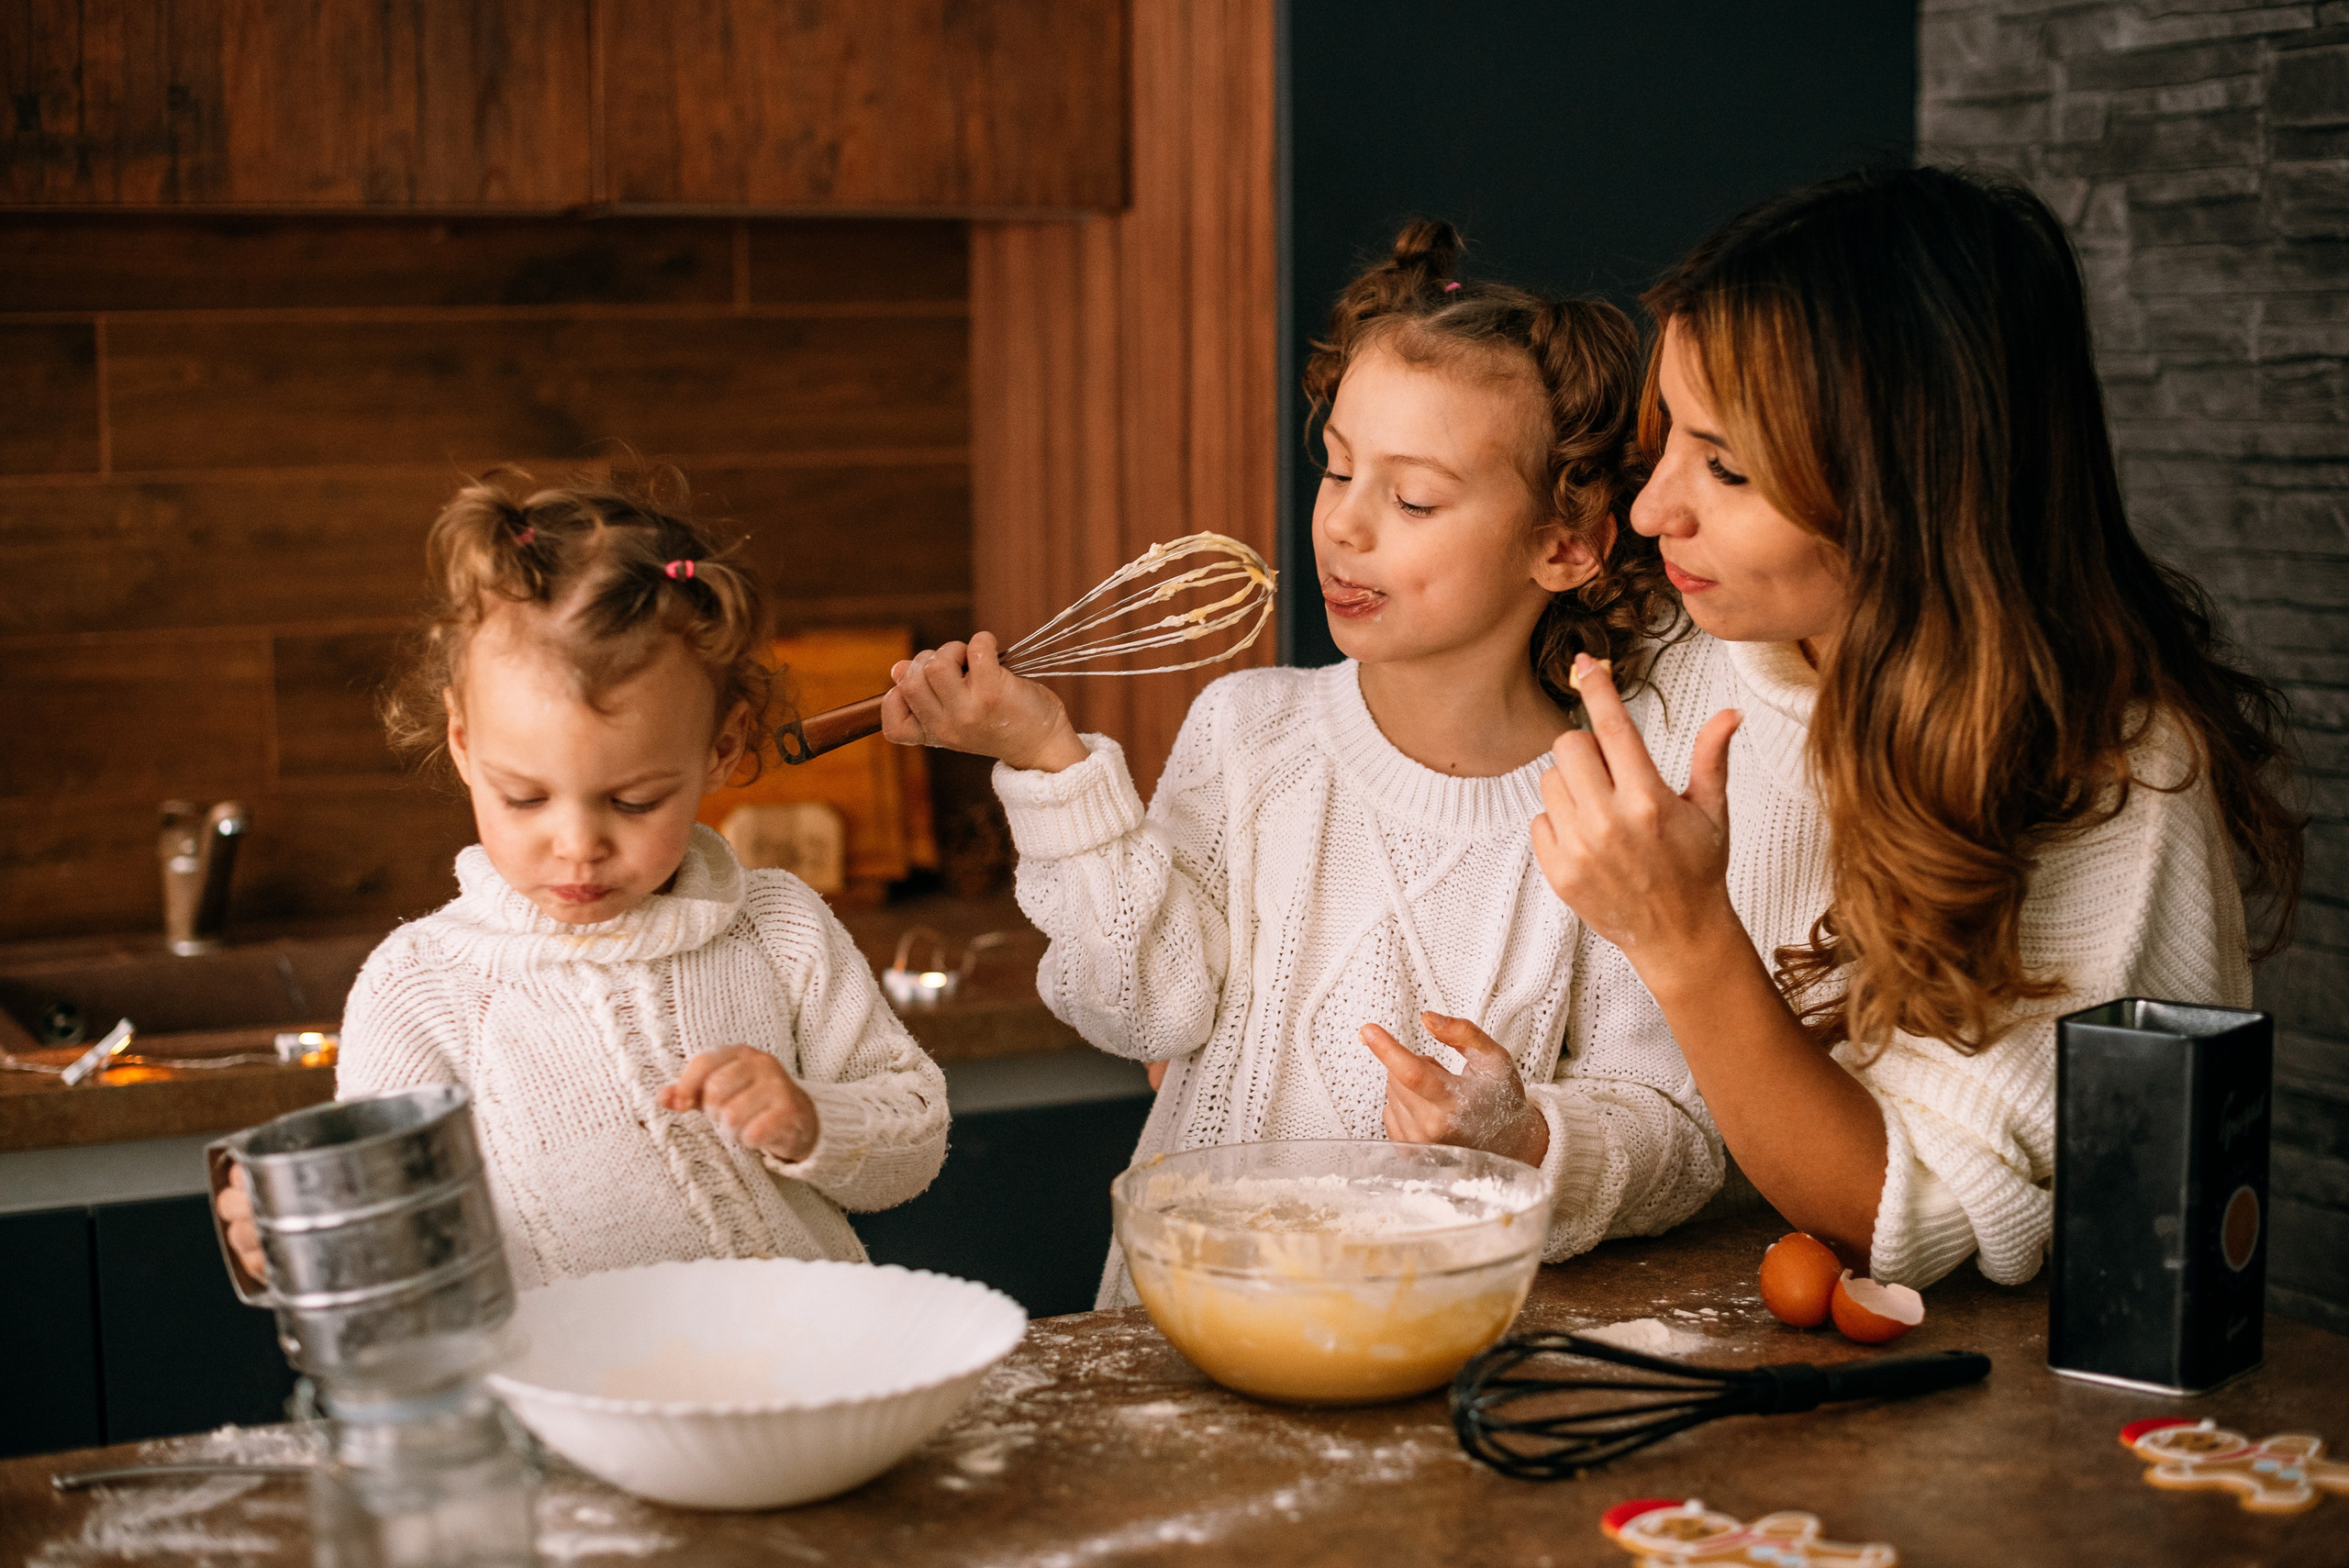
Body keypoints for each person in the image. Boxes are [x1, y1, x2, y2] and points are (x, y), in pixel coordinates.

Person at [886, 222, 1721, 1307]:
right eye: (1336, 469)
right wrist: (1050, 763)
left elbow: (1676, 1135)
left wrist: (1526, 1135)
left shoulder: (1607, 817)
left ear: (1565, 545)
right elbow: (1143, 1013)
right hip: (1191, 1321)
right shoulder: (1248, 733)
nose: (1344, 525)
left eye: (1412, 499)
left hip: (1438, 1337)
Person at [1532, 167, 2301, 1290]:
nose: (1653, 511)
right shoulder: (1680, 650)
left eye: (1728, 467)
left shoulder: (2115, 786)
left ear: (1908, 494)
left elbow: (1916, 1220)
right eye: (1668, 443)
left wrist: (1684, 934)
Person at [217, 470, 948, 1289]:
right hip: (563, 1374)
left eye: (633, 801)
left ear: (722, 747)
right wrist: (308, 1239)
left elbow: (915, 1138)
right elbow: (397, 1243)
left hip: (812, 1356)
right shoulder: (420, 990)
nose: (577, 846)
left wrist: (811, 1119)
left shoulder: (778, 927)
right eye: (525, 797)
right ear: (463, 744)